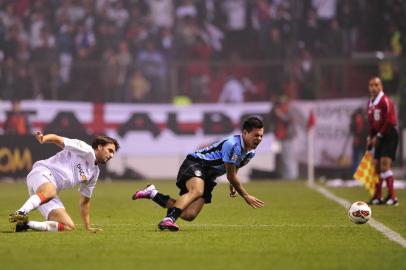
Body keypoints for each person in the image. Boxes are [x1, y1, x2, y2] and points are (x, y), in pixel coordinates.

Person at [131, 116, 265, 231]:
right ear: (245, 133)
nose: (259, 139)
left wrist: (232, 183)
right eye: (256, 135)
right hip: (196, 163)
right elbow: (230, 175)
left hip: (208, 176)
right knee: (197, 191)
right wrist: (246, 196)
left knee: (189, 215)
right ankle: (168, 219)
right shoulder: (232, 145)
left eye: (261, 136)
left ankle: (152, 193)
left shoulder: (250, 153)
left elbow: (234, 168)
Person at [9, 131, 120, 232]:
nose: (111, 155)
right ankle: (20, 212)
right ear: (100, 147)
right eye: (110, 150)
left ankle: (25, 225)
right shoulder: (86, 150)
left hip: (48, 192)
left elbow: (85, 201)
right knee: (50, 192)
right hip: (42, 173)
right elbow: (59, 139)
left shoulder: (94, 173)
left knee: (68, 226)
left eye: (113, 153)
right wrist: (43, 139)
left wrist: (88, 227)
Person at [366, 77, 399, 206]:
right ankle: (377, 197)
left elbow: (390, 121)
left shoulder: (385, 101)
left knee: (385, 166)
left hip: (389, 135)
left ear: (381, 87)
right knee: (377, 167)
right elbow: (372, 124)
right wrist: (370, 138)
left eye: (376, 85)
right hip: (379, 136)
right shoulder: (370, 103)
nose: (373, 87)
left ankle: (393, 197)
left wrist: (378, 136)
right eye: (371, 85)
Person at [269, 96, 298, 180]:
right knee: (282, 158)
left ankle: (291, 176)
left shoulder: (288, 110)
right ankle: (285, 176)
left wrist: (280, 114)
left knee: (288, 158)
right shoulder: (277, 111)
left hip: (287, 137)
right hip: (280, 137)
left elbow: (288, 121)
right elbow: (271, 117)